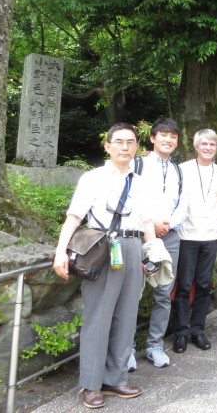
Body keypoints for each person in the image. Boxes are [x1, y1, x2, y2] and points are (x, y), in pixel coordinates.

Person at [52, 123, 156, 409]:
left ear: (137, 147)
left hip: (133, 248)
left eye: (130, 142)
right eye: (119, 142)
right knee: (98, 316)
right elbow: (74, 218)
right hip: (102, 249)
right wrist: (60, 251)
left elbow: (147, 222)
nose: (125, 146)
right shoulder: (92, 178)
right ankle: (92, 383)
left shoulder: (142, 181)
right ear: (107, 146)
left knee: (127, 315)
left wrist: (154, 253)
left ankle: (116, 378)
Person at [136, 118, 186, 369]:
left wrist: (167, 224)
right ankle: (125, 349)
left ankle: (155, 345)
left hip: (170, 236)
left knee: (164, 291)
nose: (168, 139)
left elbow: (182, 203)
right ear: (153, 138)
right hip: (141, 235)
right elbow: (131, 198)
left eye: (173, 136)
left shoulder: (177, 169)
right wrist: (151, 224)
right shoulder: (138, 165)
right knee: (132, 292)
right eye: (163, 135)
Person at [173, 129, 217, 353]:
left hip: (210, 234)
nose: (208, 148)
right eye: (204, 144)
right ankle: (181, 332)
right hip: (187, 235)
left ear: (216, 147)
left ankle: (198, 330)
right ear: (196, 146)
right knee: (184, 286)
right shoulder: (182, 169)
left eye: (212, 145)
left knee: (205, 285)